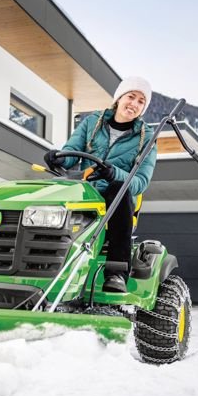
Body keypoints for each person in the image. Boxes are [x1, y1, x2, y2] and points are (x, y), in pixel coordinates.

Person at [44, 77, 156, 293]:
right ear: (119, 98)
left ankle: (116, 273)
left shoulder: (147, 138)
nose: (134, 104)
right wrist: (58, 158)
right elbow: (71, 152)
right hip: (86, 193)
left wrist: (115, 174)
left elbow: (140, 182)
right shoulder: (92, 122)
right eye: (131, 96)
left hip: (116, 200)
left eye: (141, 101)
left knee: (118, 189)